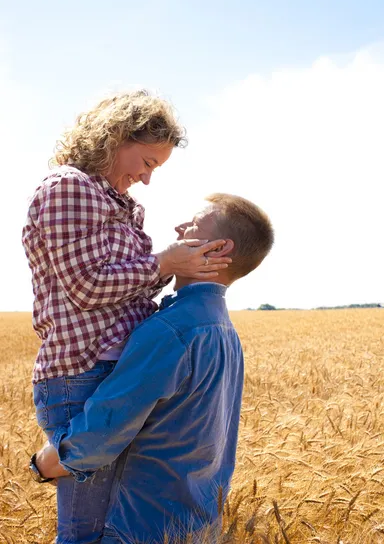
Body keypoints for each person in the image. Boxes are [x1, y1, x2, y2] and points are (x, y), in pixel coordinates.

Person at [22, 91, 232, 544]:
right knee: (87, 531)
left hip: (114, 376)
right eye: (149, 162)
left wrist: (178, 270)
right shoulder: (69, 188)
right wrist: (165, 264)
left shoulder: (123, 206)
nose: (147, 178)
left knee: (114, 525)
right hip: (81, 376)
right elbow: (85, 286)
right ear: (116, 137)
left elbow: (129, 286)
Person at [34, 193, 274, 544]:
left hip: (138, 527)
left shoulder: (171, 330)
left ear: (219, 250)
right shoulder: (223, 330)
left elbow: (100, 434)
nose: (178, 228)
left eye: (193, 225)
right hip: (196, 524)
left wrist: (43, 464)